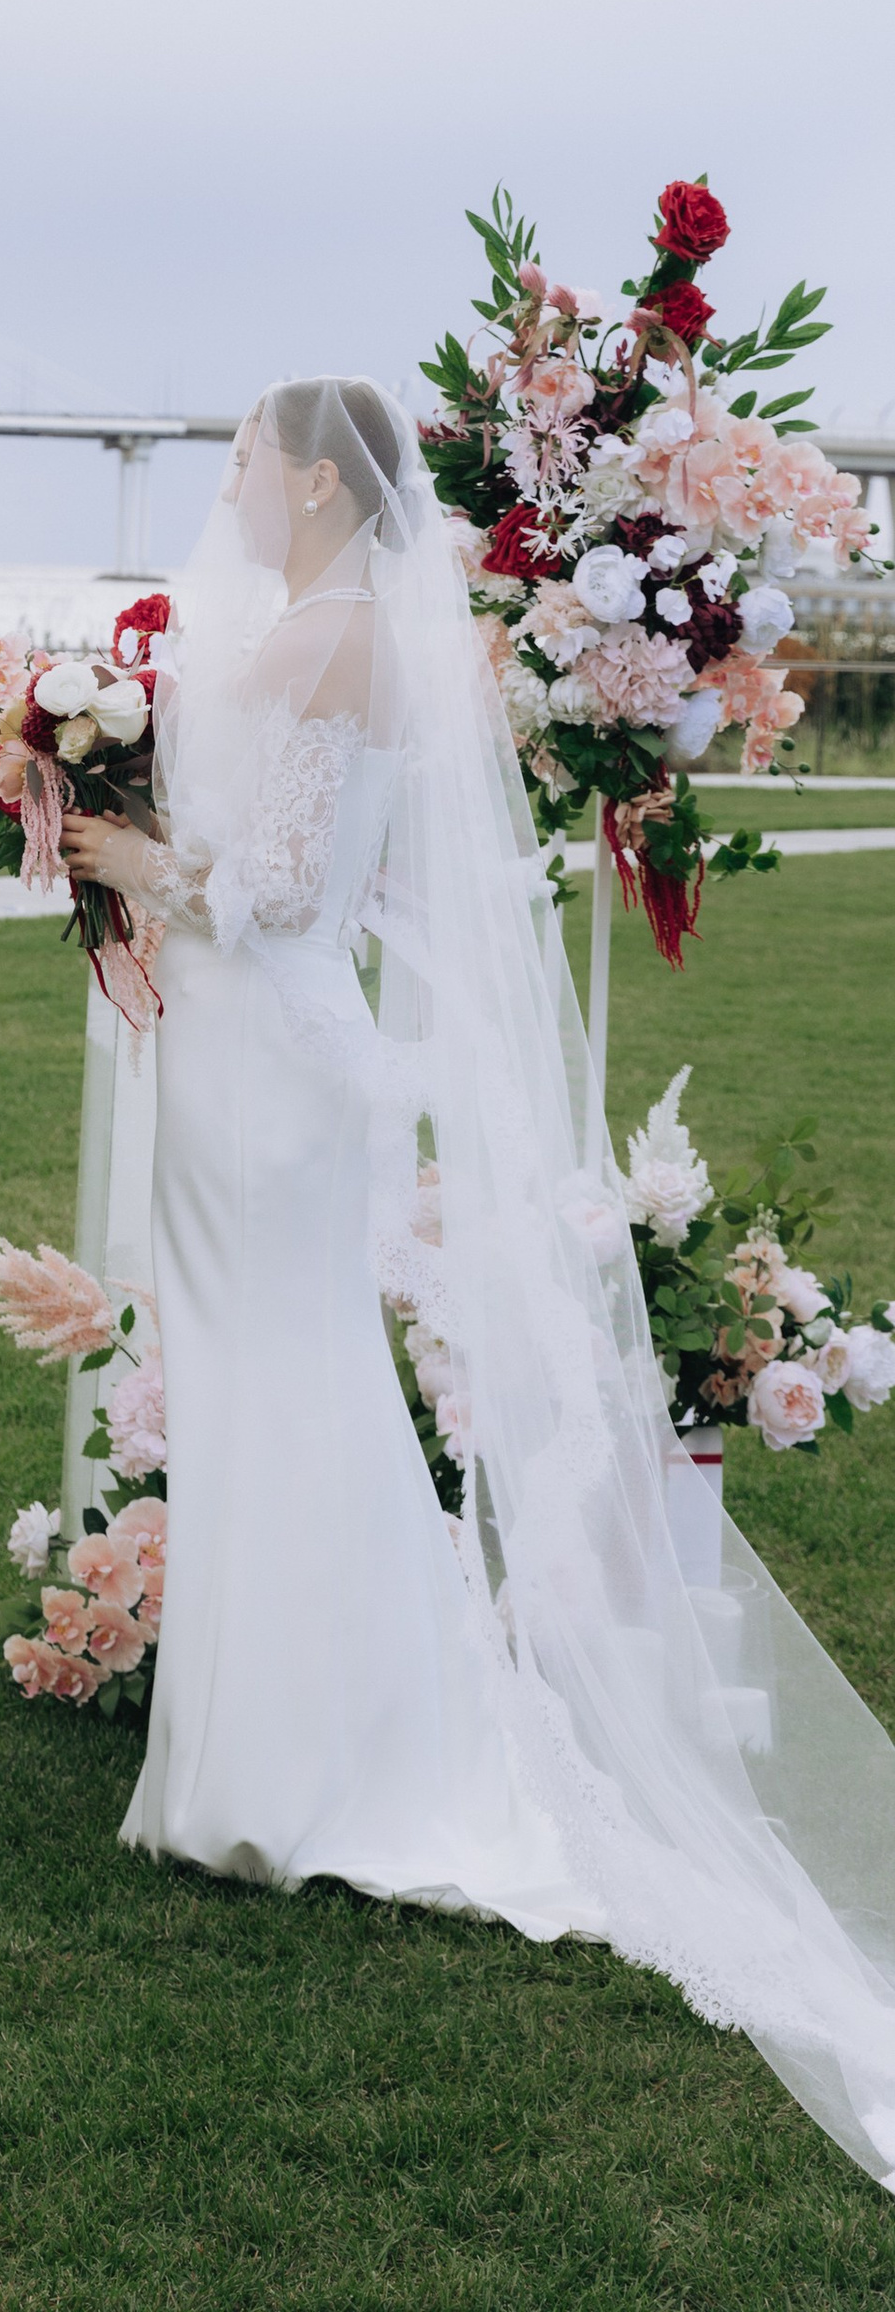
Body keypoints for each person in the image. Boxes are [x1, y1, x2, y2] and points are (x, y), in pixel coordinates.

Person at [59, 376, 895, 2187]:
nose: (230, 487)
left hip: (265, 1060)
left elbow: (283, 893)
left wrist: (129, 854)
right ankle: (279, 1746)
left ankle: (295, 1770)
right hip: (263, 1058)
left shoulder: (328, 636)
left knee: (286, 1390)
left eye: (246, 461)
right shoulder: (336, 628)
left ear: (311, 482)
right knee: (279, 1389)